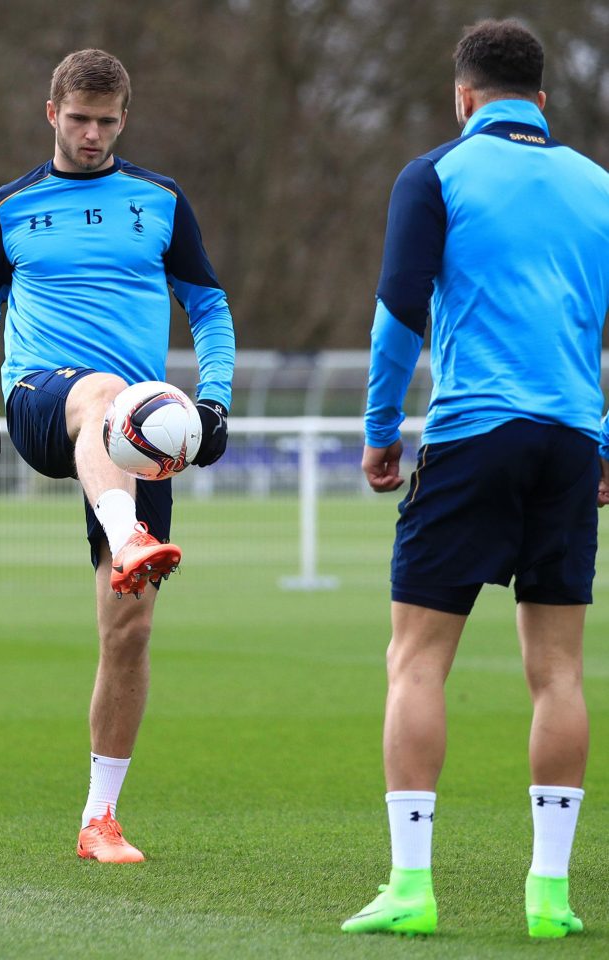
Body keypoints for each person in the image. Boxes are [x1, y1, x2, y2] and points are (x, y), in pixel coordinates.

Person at [341, 18, 609, 939]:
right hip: (571, 443)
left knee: (416, 662)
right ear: (543, 96)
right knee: (558, 673)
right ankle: (550, 895)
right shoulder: (597, 186)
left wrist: (381, 431)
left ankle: (412, 889)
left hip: (472, 434)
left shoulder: (435, 174)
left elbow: (396, 319)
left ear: (463, 97)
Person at [0, 49, 235, 863]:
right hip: (47, 396)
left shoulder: (159, 201)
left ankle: (99, 819)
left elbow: (208, 305)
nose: (92, 134)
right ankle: (131, 536)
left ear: (125, 118)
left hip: (138, 435)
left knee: (129, 632)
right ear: (52, 113)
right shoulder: (8, 207)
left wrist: (212, 398)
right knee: (102, 390)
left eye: (107, 122)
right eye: (79, 119)